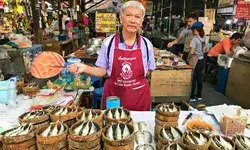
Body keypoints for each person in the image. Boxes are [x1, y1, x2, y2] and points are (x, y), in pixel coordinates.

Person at [68, 1, 156, 111]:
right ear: (121, 18)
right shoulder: (108, 43)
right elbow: (102, 71)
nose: (133, 20)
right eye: (128, 15)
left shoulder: (147, 45)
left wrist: (133, 81)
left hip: (139, 97)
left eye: (137, 17)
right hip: (114, 97)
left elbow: (149, 70)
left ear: (141, 21)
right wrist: (85, 68)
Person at [188, 22, 208, 101]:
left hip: (195, 61)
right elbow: (207, 49)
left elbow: (191, 52)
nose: (192, 32)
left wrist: (188, 57)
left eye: (193, 30)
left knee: (193, 78)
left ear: (196, 30)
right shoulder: (205, 38)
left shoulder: (195, 39)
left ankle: (192, 96)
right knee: (199, 78)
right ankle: (199, 95)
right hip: (202, 60)